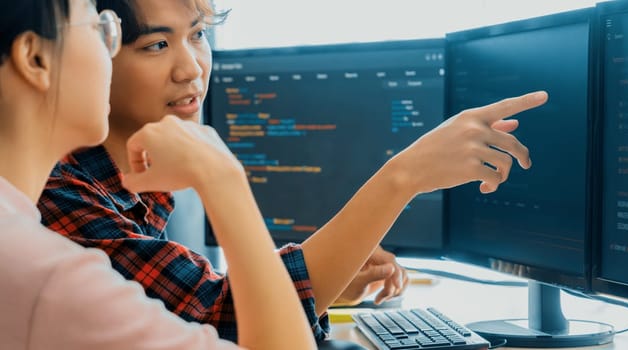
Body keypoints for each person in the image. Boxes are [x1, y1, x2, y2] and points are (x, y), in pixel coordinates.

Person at [38, 0, 549, 343]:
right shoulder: (58, 198)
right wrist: (404, 176)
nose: (191, 67)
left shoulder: (130, 182)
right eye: (156, 45)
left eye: (197, 35)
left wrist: (331, 282)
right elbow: (228, 325)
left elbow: (192, 311)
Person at [0, 0, 315, 348]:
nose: (191, 71)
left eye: (198, 34)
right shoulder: (49, 279)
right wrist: (224, 181)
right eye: (98, 29)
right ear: (35, 59)